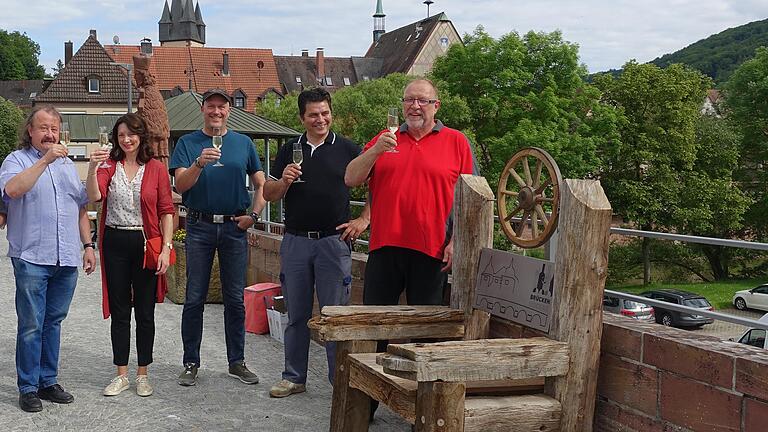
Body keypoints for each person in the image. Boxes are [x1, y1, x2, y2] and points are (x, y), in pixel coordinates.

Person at [263, 88, 369, 398]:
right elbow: (268, 193)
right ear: (302, 118)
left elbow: (378, 185)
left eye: (324, 113)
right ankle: (294, 377)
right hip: (295, 241)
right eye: (313, 114)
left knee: (335, 316)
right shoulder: (289, 149)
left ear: (330, 113)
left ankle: (340, 382)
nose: (320, 119)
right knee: (296, 315)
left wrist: (364, 219)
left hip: (333, 243)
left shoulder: (349, 149)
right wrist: (283, 180)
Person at [345, 78, 475, 309]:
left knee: (424, 330)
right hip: (384, 247)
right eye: (409, 100)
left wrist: (457, 242)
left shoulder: (457, 142)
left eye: (423, 100)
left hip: (432, 250)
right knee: (375, 323)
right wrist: (375, 150)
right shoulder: (384, 138)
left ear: (436, 105)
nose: (414, 105)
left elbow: (471, 199)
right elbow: (351, 178)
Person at [0, 105, 96, 412]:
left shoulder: (67, 165)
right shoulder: (16, 161)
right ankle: (27, 386)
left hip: (66, 257)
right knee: (31, 324)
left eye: (54, 128)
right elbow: (13, 190)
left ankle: (48, 381)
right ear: (30, 130)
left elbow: (81, 208)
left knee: (53, 322)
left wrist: (89, 245)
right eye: (43, 128)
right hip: (31, 256)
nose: (50, 134)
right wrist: (45, 160)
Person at [169, 88, 267, 386]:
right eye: (211, 107)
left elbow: (262, 183)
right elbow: (181, 186)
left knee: (235, 299)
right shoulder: (187, 143)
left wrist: (255, 216)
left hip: (234, 228)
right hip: (199, 226)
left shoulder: (243, 143)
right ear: (203, 110)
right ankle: (190, 362)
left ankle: (236, 362)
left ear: (228, 111)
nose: (216, 112)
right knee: (194, 298)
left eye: (221, 107)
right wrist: (199, 163)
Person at [86, 113, 174, 397]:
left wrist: (166, 248)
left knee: (145, 312)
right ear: (116, 137)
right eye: (121, 134)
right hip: (115, 241)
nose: (126, 139)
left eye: (132, 134)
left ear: (141, 136)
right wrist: (91, 167)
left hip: (146, 242)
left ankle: (143, 373)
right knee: (120, 311)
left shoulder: (157, 168)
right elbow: (95, 197)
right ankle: (121, 373)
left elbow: (166, 211)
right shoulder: (109, 165)